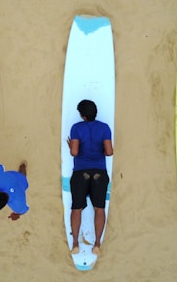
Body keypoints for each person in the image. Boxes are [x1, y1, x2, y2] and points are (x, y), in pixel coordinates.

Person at [67, 99, 113, 256]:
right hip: (99, 172)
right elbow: (109, 152)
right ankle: (97, 244)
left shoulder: (76, 128)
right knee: (99, 208)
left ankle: (75, 244)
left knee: (76, 207)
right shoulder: (104, 128)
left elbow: (74, 152)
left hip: (81, 172)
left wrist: (70, 146)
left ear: (82, 116)